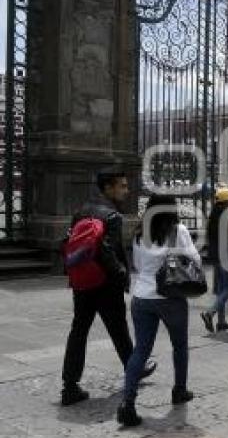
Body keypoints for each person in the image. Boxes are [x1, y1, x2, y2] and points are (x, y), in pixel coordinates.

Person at [60, 170, 156, 406]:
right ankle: (133, 368)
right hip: (105, 284)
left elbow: (70, 243)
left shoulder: (81, 211)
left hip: (82, 282)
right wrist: (121, 274)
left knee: (79, 330)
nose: (126, 190)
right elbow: (107, 251)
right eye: (122, 186)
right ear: (108, 188)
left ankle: (69, 386)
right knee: (119, 329)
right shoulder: (112, 216)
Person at [117, 195, 200, 426]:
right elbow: (194, 260)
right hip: (170, 297)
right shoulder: (178, 230)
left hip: (142, 296)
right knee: (180, 345)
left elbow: (137, 265)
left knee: (141, 350)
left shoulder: (138, 233)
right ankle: (179, 390)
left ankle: (128, 402)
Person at [200, 187, 228, 333]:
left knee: (221, 289)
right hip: (226, 255)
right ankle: (210, 313)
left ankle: (221, 322)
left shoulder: (213, 218)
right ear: (226, 202)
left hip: (215, 256)